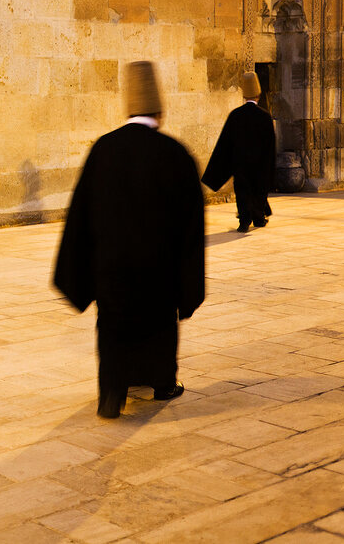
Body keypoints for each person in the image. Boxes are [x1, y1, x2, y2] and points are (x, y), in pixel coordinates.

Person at [54, 61, 205, 419]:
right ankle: (162, 383)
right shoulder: (175, 154)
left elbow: (80, 215)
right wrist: (189, 287)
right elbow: (190, 228)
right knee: (159, 328)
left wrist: (80, 274)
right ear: (159, 110)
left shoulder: (103, 150)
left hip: (113, 272)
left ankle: (111, 394)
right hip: (158, 275)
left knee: (113, 328)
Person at [201, 72, 277, 232]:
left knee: (243, 191)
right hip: (259, 166)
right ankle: (258, 218)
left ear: (244, 95)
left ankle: (244, 221)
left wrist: (218, 171)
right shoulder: (265, 117)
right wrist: (271, 169)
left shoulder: (235, 116)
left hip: (241, 165)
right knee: (259, 190)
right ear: (258, 95)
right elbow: (270, 146)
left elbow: (225, 144)